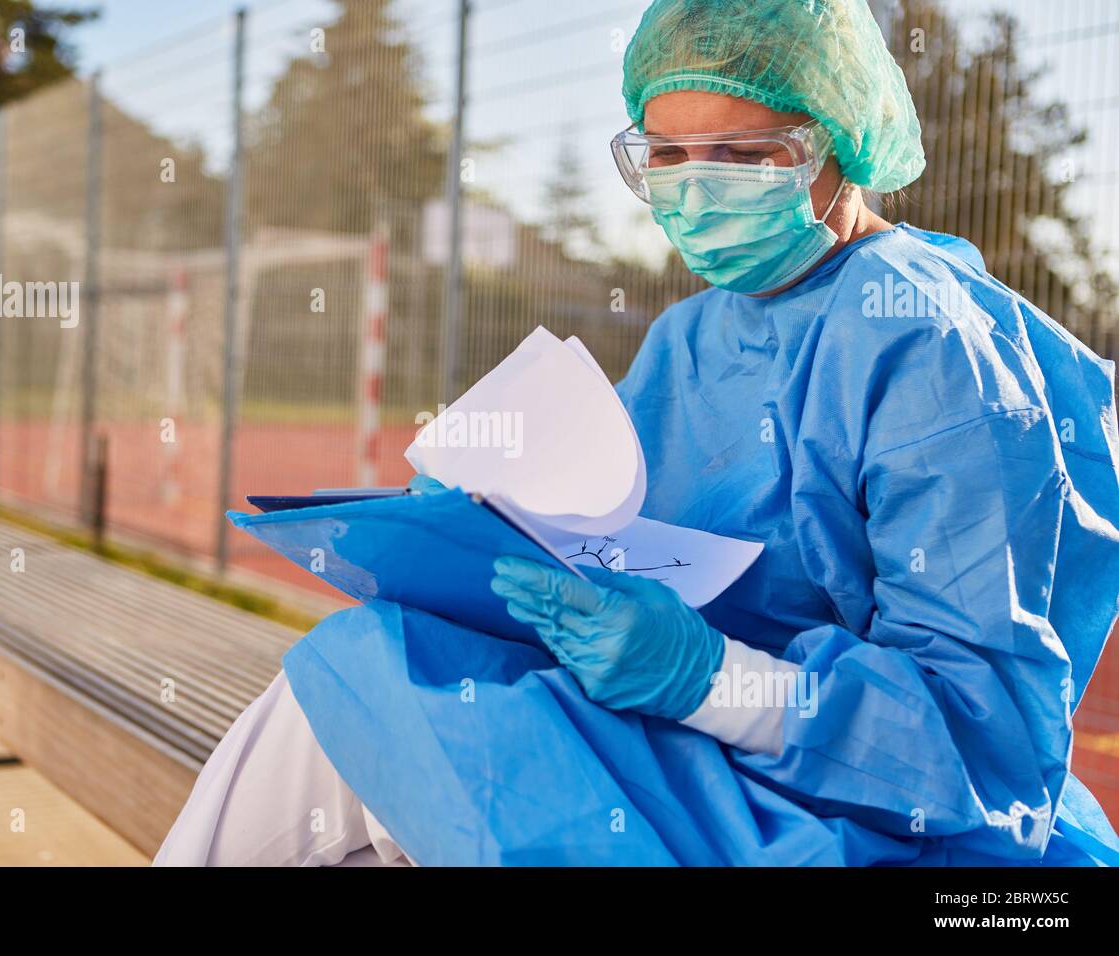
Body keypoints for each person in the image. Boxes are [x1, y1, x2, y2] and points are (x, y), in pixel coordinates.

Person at [155, 0, 1119, 866]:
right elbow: (618, 529)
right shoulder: (693, 335)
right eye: (667, 155)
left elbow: (978, 746)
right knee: (376, 665)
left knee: (363, 696)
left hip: (862, 821)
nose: (698, 191)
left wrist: (712, 677)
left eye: (744, 155)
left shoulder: (930, 342)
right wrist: (481, 541)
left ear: (842, 144)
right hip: (694, 754)